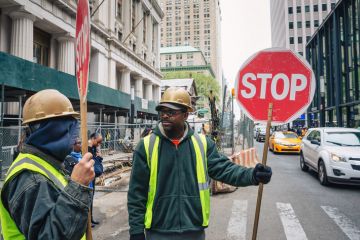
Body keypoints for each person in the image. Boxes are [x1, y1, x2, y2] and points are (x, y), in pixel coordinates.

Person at [128, 87, 272, 240]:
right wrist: (136, 230)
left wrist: (253, 175)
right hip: (158, 232)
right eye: (162, 111)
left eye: (171, 112)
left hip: (194, 230)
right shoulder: (146, 146)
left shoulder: (202, 144)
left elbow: (225, 170)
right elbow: (137, 193)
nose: (164, 116)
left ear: (185, 114)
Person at [0, 89, 94, 240]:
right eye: (68, 127)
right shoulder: (30, 177)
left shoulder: (49, 162)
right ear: (51, 131)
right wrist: (77, 187)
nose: (74, 135)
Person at [88, 132, 104, 226]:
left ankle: (90, 218)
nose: (99, 144)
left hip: (92, 176)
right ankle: (87, 221)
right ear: (93, 139)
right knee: (87, 197)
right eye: (98, 142)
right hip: (87, 177)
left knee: (91, 196)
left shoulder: (94, 148)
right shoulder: (86, 147)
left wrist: (98, 156)